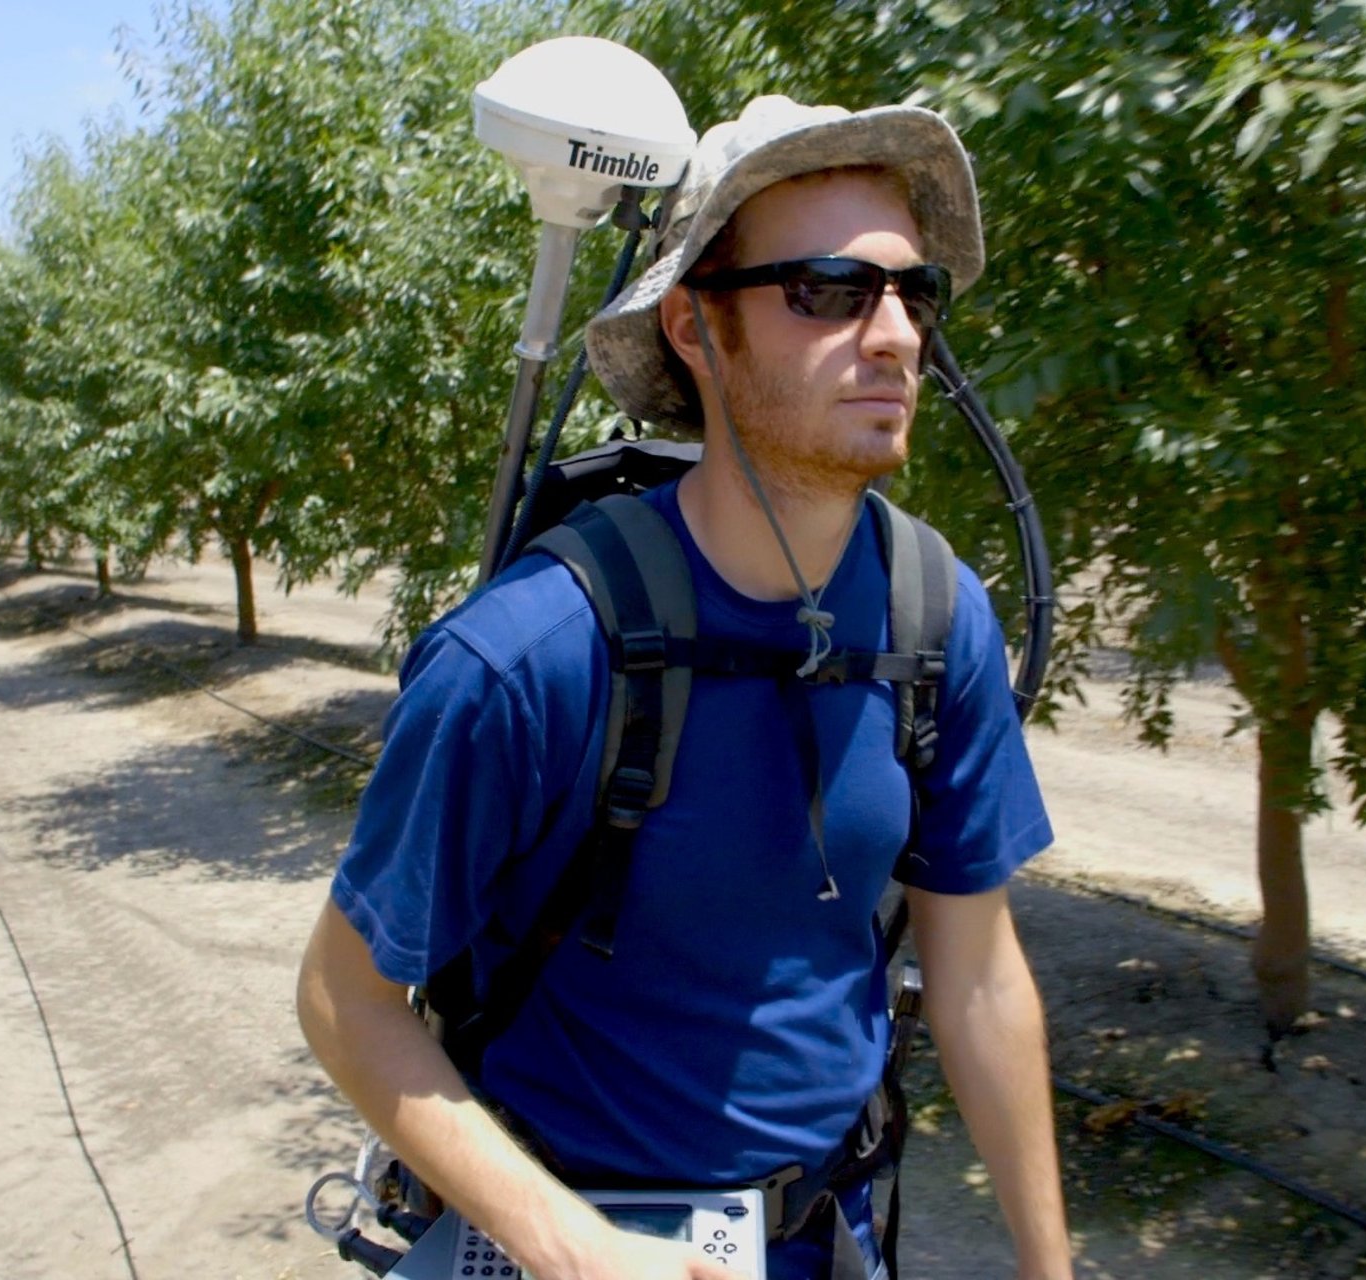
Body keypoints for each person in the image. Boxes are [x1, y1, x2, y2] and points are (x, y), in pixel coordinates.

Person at [298, 95, 1073, 1280]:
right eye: (828, 290)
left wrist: (1048, 1264)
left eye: (914, 293)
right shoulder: (532, 655)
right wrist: (576, 1247)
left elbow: (974, 973)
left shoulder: (938, 615)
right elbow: (344, 998)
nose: (897, 334)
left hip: (825, 1238)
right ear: (695, 331)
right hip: (561, 1237)